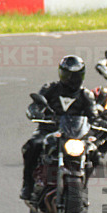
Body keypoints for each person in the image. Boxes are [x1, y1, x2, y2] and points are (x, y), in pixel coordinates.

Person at [20, 55, 97, 200]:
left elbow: (93, 114)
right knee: (33, 146)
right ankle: (28, 185)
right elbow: (35, 104)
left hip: (74, 134)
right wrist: (35, 111)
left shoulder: (86, 95)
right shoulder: (50, 88)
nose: (71, 79)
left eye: (74, 76)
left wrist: (100, 122)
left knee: (95, 153)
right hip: (49, 130)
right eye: (68, 75)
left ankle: (82, 187)